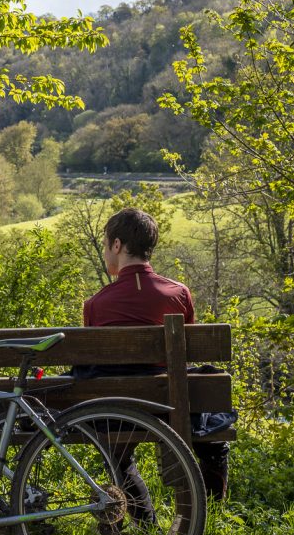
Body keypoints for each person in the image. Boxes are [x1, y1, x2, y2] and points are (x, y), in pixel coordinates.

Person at [80, 207, 231, 500]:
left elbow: (93, 364)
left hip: (118, 411)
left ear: (117, 245)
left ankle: (146, 525)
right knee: (211, 425)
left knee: (118, 456)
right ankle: (204, 516)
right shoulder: (179, 294)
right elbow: (187, 355)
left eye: (106, 245)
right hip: (171, 406)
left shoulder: (96, 305)